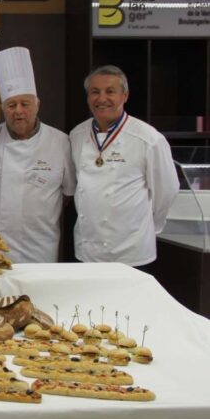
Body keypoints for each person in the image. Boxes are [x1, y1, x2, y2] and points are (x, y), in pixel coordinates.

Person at [69, 65, 177, 270]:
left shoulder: (148, 138)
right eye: (95, 92)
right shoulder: (77, 135)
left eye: (110, 92)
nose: (102, 99)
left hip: (132, 252)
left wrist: (146, 228)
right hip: (87, 251)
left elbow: (167, 190)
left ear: (124, 95)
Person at [0, 47, 76, 263]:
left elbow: (68, 193)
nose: (19, 111)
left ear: (37, 105)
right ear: (2, 108)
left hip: (42, 247)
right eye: (11, 105)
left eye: (25, 104)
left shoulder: (60, 142)